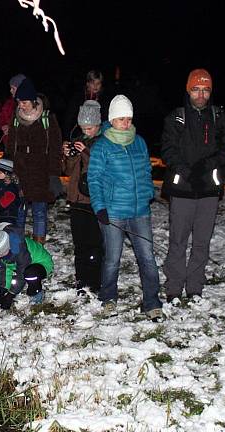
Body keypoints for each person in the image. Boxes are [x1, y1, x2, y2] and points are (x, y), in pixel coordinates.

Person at [160, 69, 225, 302]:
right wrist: (186, 170)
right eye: (196, 89)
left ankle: (195, 287)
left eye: (205, 89)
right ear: (188, 90)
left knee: (201, 241)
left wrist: (207, 167)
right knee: (178, 240)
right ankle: (174, 287)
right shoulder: (176, 117)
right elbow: (167, 149)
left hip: (208, 188)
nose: (201, 94)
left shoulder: (220, 117)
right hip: (182, 187)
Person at [87, 94, 163, 321]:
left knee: (147, 258)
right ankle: (108, 298)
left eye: (128, 118)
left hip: (140, 211)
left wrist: (148, 191)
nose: (126, 123)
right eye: (121, 119)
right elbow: (94, 179)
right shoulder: (102, 146)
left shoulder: (139, 141)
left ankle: (152, 302)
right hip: (114, 212)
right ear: (111, 120)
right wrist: (99, 207)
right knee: (112, 258)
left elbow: (146, 171)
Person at [7, 77, 62, 243]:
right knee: (19, 211)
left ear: (32, 100)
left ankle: (39, 246)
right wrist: (7, 168)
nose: (20, 105)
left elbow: (55, 148)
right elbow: (10, 145)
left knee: (39, 211)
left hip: (41, 171)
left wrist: (54, 174)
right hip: (20, 170)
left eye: (24, 102)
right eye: (19, 102)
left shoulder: (47, 118)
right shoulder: (16, 118)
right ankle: (18, 246)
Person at [62, 100, 104, 293]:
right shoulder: (80, 140)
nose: (86, 131)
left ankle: (94, 282)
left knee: (94, 244)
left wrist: (85, 151)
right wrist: (69, 155)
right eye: (83, 127)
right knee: (80, 244)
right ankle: (82, 281)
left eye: (90, 127)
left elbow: (100, 167)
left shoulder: (105, 142)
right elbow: (68, 170)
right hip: (77, 199)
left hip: (94, 201)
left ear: (98, 125)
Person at [0, 223, 54, 309]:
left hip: (42, 264)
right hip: (25, 264)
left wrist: (10, 295)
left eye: (0, 253)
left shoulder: (21, 251)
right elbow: (6, 270)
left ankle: (36, 292)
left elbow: (21, 275)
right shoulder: (6, 250)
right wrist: (3, 291)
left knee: (30, 274)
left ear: (7, 247)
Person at [63, 70, 111, 139]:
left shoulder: (104, 98)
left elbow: (106, 117)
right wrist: (66, 137)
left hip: (98, 132)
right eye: (92, 83)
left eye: (98, 83)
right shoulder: (78, 97)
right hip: (80, 132)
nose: (95, 86)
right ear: (88, 83)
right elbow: (69, 118)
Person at [0, 74, 26, 154]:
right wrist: (3, 125)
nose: (10, 90)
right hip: (9, 142)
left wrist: (11, 128)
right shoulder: (9, 103)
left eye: (13, 88)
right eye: (10, 88)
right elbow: (2, 117)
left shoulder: (29, 105)